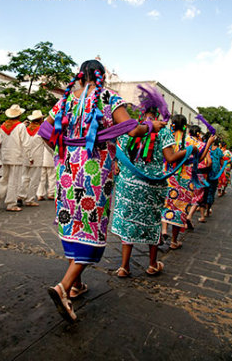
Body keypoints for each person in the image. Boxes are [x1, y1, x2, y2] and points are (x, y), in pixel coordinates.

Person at [41, 60, 166, 322]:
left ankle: (76, 284)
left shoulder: (66, 99)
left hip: (67, 171)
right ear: (103, 76)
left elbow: (45, 131)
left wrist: (63, 151)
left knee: (74, 223)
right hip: (95, 172)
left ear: (81, 76)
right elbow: (132, 129)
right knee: (91, 225)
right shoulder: (107, 97)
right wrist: (152, 127)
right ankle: (63, 287)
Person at [111, 104, 196, 277]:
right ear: (159, 114)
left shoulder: (132, 128)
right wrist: (189, 150)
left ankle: (124, 267)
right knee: (153, 222)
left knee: (128, 222)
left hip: (128, 184)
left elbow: (117, 151)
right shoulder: (163, 132)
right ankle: (152, 265)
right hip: (152, 185)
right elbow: (170, 158)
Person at [161, 115, 198, 249]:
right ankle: (174, 241)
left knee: (166, 205)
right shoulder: (191, 142)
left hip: (168, 176)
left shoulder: (167, 138)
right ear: (185, 126)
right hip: (184, 180)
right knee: (180, 209)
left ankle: (163, 231)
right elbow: (201, 157)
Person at [0, 105, 33, 212]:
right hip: (16, 156)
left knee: (4, 177)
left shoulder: (3, 126)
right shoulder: (20, 126)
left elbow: (0, 141)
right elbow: (26, 143)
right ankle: (11, 203)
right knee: (14, 180)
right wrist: (30, 156)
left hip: (5, 155)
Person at [17, 110, 44, 207]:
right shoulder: (42, 130)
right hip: (37, 157)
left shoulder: (26, 129)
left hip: (26, 156)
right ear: (40, 119)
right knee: (34, 179)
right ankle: (30, 199)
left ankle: (20, 195)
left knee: (24, 177)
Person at [204, 138, 223, 216]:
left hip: (205, 173)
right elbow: (221, 162)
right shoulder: (219, 151)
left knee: (204, 191)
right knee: (211, 191)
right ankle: (207, 210)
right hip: (214, 174)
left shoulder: (206, 148)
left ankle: (202, 208)